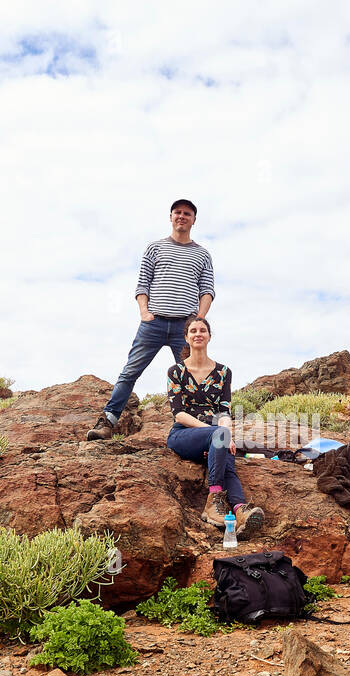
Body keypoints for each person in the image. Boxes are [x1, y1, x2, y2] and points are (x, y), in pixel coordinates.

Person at [86, 199, 215, 440]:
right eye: (177, 212)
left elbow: (207, 290)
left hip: (184, 328)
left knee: (192, 376)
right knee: (130, 372)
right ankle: (108, 422)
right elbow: (142, 283)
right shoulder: (155, 248)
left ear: (194, 220)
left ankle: (199, 429)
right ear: (170, 217)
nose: (182, 216)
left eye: (187, 213)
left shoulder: (202, 254)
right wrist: (144, 313)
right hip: (153, 324)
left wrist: (198, 320)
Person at [165, 316, 266, 537]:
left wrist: (224, 434)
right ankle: (213, 503)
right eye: (193, 331)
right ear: (187, 337)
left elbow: (224, 411)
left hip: (215, 436)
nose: (198, 333)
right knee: (220, 438)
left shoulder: (223, 373)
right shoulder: (176, 372)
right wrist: (215, 433)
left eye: (202, 330)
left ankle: (240, 512)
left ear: (209, 336)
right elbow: (179, 414)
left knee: (226, 460)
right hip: (184, 436)